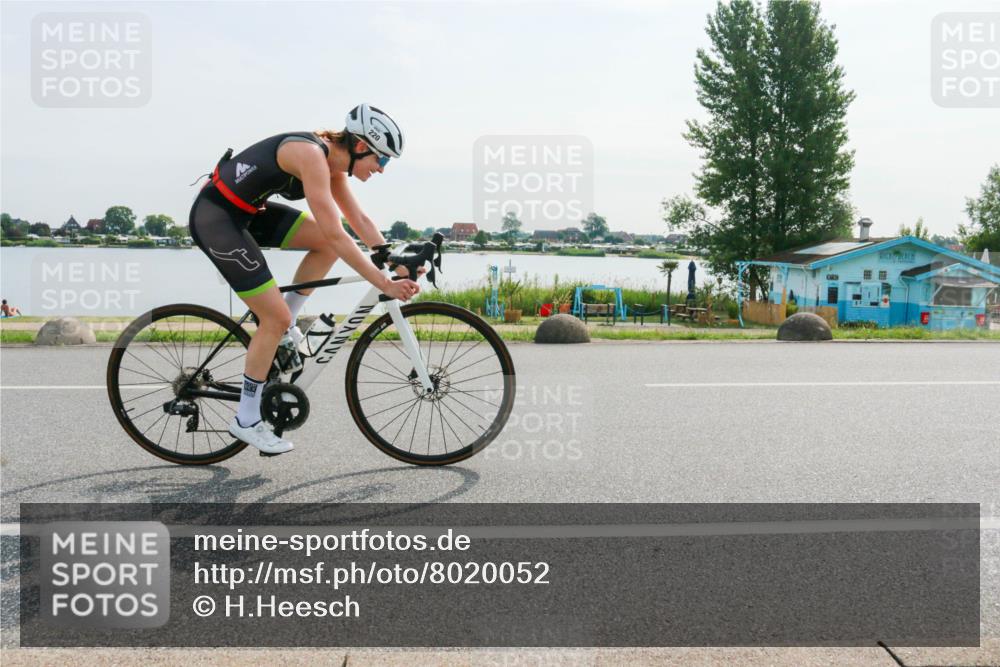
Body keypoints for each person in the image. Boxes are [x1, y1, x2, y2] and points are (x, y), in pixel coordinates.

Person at [189, 104, 420, 456]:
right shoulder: (311, 155)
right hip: (217, 219)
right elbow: (338, 234)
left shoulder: (334, 165)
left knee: (320, 250)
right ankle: (246, 419)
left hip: (249, 213)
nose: (382, 169)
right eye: (382, 159)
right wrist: (384, 283)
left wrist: (393, 259)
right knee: (274, 316)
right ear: (361, 146)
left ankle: (287, 325)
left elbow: (356, 219)